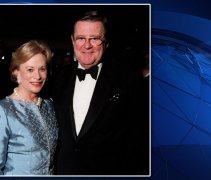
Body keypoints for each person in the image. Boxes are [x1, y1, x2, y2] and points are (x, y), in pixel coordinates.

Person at [52, 11, 149, 175]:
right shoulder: (58, 78)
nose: (87, 45)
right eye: (81, 38)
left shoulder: (128, 80)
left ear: (106, 42)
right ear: (72, 41)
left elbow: (140, 139)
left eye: (95, 39)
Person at [0, 40, 58, 175]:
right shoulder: (0, 111)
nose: (38, 76)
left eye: (42, 69)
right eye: (30, 69)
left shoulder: (49, 105)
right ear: (16, 71)